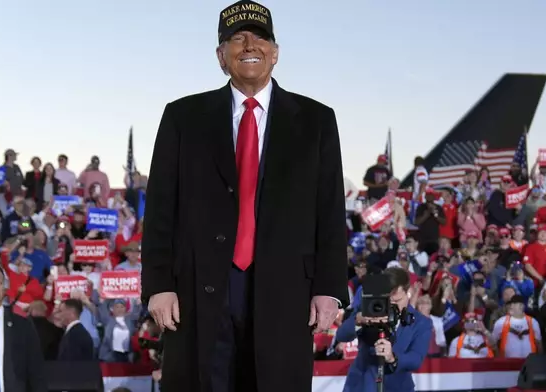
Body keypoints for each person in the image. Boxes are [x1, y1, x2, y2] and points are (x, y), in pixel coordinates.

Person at [141, 1, 348, 391]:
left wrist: (329, 288)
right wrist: (157, 283)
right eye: (236, 38)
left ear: (275, 53)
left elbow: (330, 211)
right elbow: (160, 208)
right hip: (198, 291)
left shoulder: (317, 120)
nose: (249, 44)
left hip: (286, 289)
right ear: (221, 56)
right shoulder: (183, 117)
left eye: (260, 37)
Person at [335, 267, 432, 392]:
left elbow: (416, 358)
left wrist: (392, 357)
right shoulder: (369, 307)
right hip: (361, 385)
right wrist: (358, 320)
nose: (391, 305)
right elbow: (341, 335)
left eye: (397, 301)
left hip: (397, 387)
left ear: (409, 292)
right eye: (388, 300)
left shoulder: (421, 323)